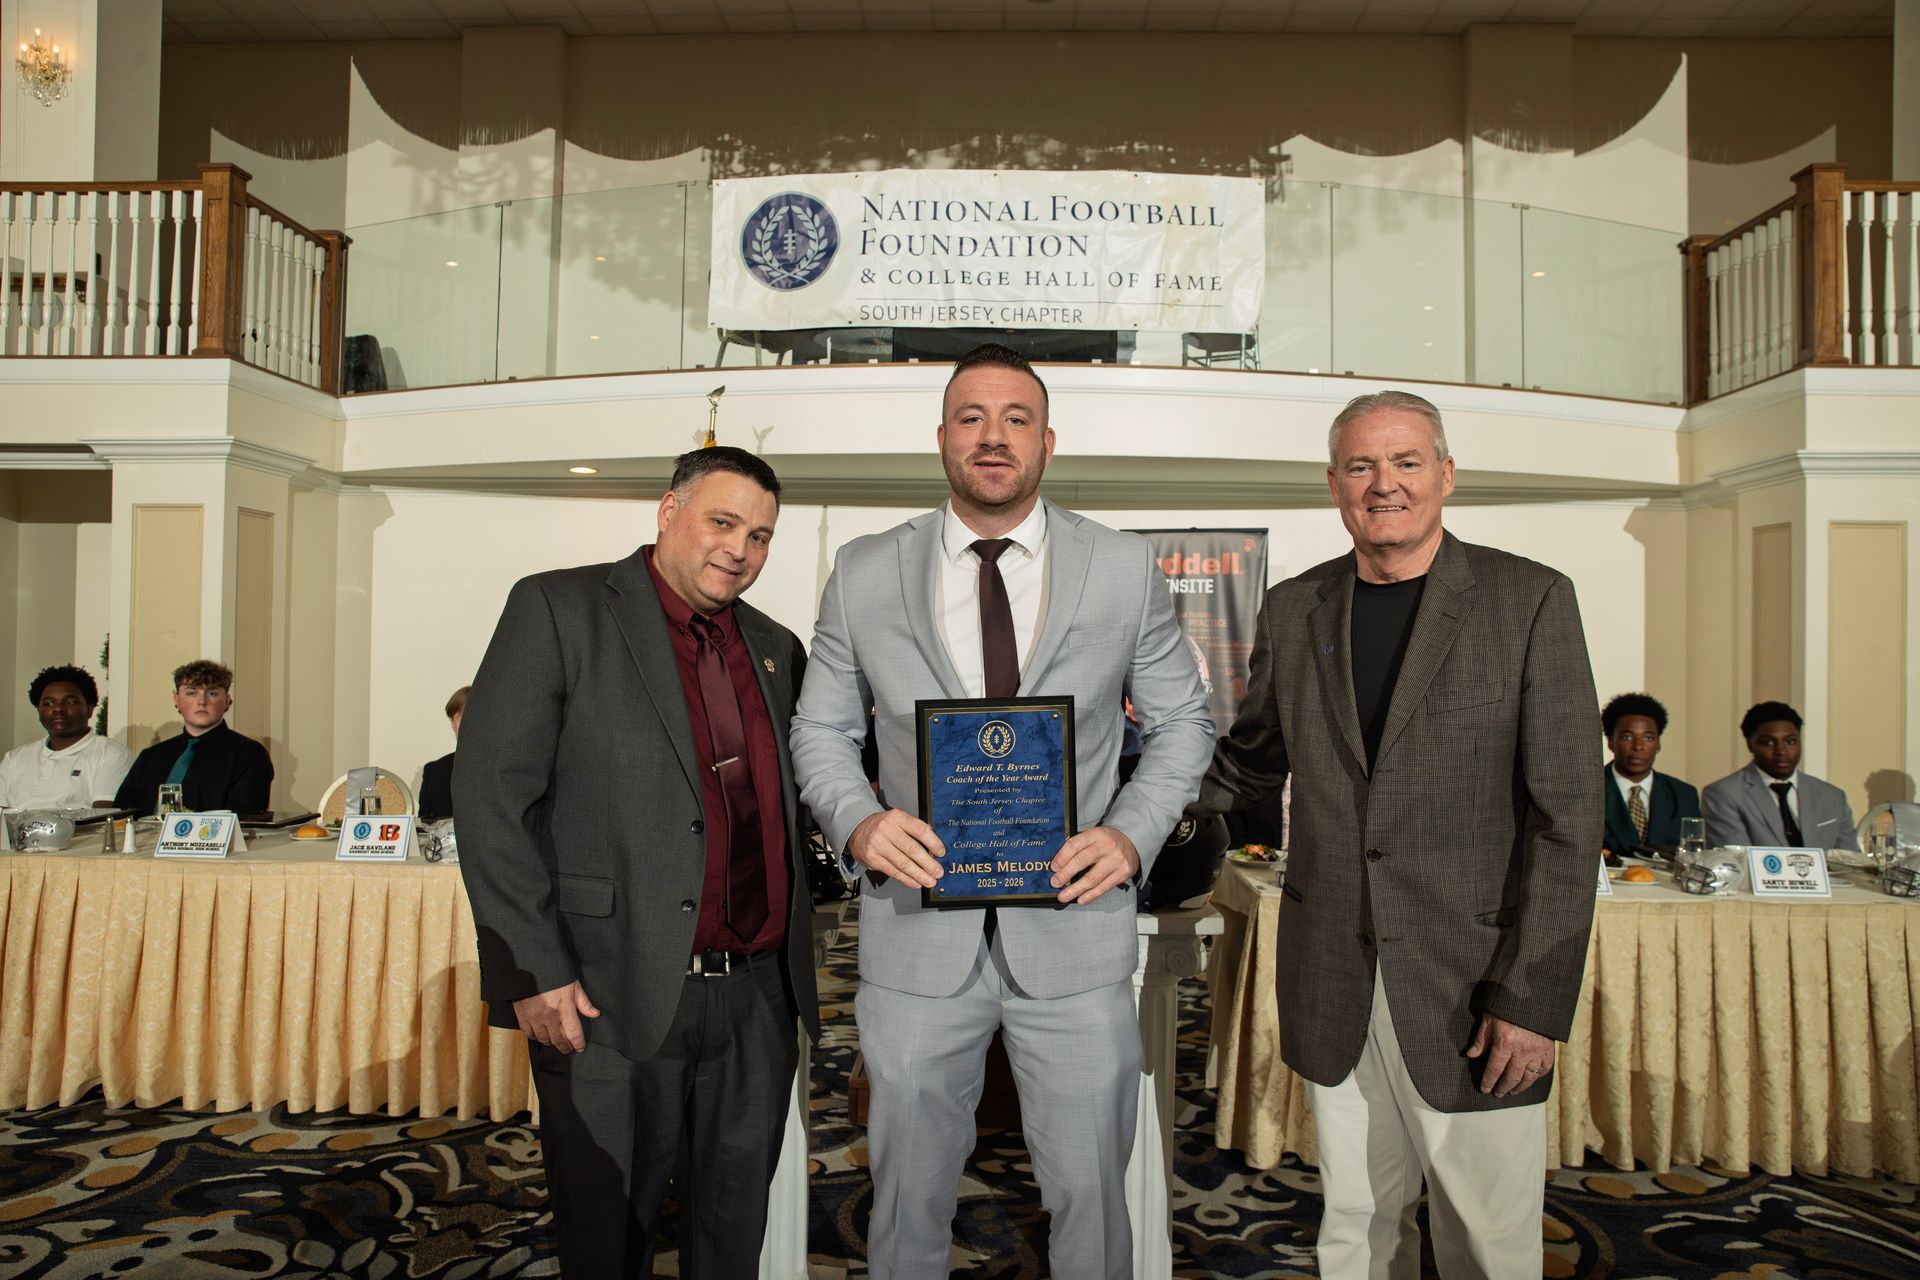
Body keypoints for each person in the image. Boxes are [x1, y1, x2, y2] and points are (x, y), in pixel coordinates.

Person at [789, 343, 1215, 1279]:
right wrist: (860, 822)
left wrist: (1130, 834)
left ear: (1048, 441)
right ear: (942, 437)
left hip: (1073, 932)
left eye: (1016, 418)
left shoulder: (1120, 566)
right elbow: (817, 731)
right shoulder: (865, 570)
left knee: (1093, 1198)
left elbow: (1186, 722)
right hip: (913, 935)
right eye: (972, 417)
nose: (994, 436)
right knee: (903, 1200)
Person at [1193, 389, 1603, 1280]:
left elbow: (1569, 821)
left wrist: (1530, 1002)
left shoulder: (1529, 601)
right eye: (1361, 465)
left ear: (1446, 475)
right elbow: (1251, 763)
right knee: (1354, 1228)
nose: (1385, 484)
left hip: (1475, 993)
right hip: (1334, 977)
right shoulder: (1296, 608)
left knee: (1486, 1246)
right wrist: (1133, 807)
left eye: (1406, 461)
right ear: (1334, 485)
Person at [456, 446, 817, 1279]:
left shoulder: (776, 647)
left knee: (732, 1239)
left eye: (761, 536)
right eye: (722, 522)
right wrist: (532, 970)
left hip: (760, 999)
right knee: (606, 1237)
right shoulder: (560, 608)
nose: (740, 549)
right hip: (606, 993)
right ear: (668, 511)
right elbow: (491, 797)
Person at [114, 660, 273, 815]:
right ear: (176, 700)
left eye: (212, 693)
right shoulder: (151, 756)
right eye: (191, 693)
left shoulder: (249, 754)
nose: (202, 701)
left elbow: (244, 814)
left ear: (227, 700)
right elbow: (122, 812)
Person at [1703, 701, 1859, 851]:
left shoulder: (1832, 796)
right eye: (1768, 743)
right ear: (1750, 744)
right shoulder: (1724, 794)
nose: (1781, 751)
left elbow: (1850, 861)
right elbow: (1736, 861)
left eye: (1790, 741)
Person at [0, 665, 132, 810]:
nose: (58, 708)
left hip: (80, 833)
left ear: (90, 709)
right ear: (38, 711)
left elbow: (102, 820)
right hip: (17, 833)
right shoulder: (14, 759)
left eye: (70, 702)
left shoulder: (111, 754)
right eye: (48, 703)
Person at [1600, 692, 1701, 856]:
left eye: (1648, 738)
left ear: (1658, 744)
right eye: (1627, 737)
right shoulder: (1588, 792)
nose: (1638, 746)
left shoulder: (1684, 794)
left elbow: (1693, 856)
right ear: (1611, 742)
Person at [417, 685, 468, 822]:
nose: (468, 724)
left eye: (473, 716)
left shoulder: (507, 768)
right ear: (452, 722)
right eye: (461, 717)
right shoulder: (434, 772)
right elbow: (426, 826)